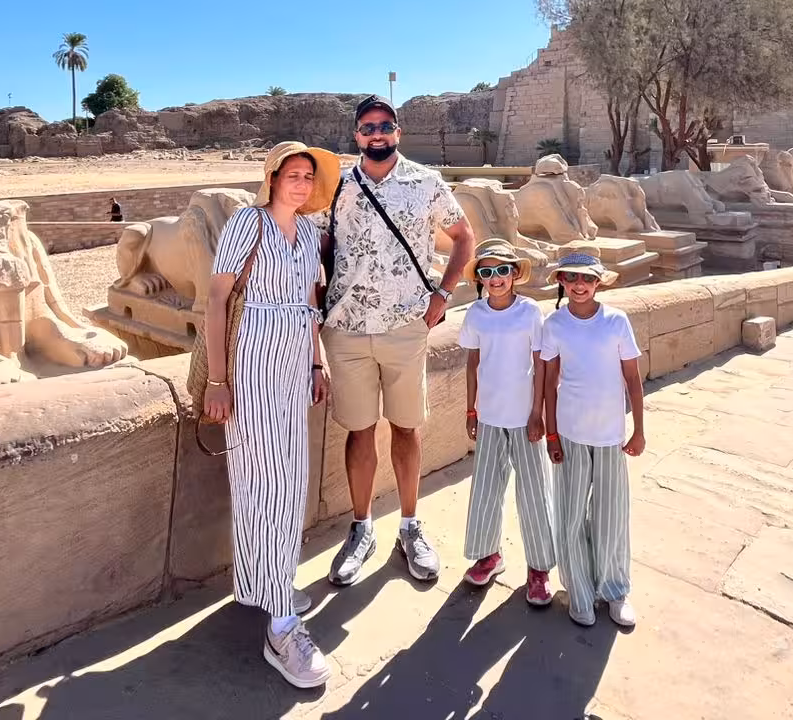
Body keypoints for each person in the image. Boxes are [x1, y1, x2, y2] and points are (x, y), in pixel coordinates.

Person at [202, 141, 341, 689]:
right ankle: (280, 623)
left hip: (293, 364)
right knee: (263, 481)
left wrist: (317, 360)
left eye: (309, 177)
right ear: (273, 177)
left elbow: (309, 305)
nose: (302, 184)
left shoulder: (309, 233)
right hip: (253, 360)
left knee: (291, 481)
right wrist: (218, 378)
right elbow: (216, 301)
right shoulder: (247, 223)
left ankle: (268, 581)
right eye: (294, 175)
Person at [324, 96, 476, 587]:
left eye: (385, 126)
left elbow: (464, 238)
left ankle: (410, 527)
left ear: (398, 132)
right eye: (368, 127)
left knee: (407, 428)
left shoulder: (427, 183)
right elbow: (320, 248)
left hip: (405, 327)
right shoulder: (338, 186)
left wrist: (443, 293)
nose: (377, 134)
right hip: (346, 329)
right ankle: (361, 528)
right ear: (356, 135)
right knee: (359, 431)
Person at [541, 249, 644, 629]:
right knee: (570, 516)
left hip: (610, 434)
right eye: (571, 278)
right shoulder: (553, 325)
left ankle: (615, 590)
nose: (579, 285)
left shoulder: (617, 322)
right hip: (569, 431)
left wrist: (640, 430)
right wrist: (551, 433)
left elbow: (632, 379)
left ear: (598, 283)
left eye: (587, 279)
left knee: (611, 516)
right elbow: (550, 383)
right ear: (561, 283)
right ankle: (580, 594)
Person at [457, 239, 555, 606]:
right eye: (487, 272)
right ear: (480, 278)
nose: (495, 278)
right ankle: (489, 555)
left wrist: (538, 413)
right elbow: (472, 364)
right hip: (490, 415)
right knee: (485, 489)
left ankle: (539, 568)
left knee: (534, 493)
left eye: (502, 270)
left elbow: (541, 364)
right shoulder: (476, 314)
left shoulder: (530, 312)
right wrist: (471, 410)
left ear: (515, 274)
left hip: (523, 415)